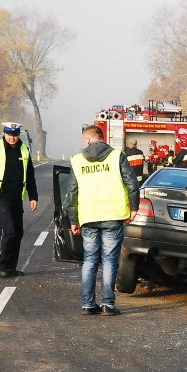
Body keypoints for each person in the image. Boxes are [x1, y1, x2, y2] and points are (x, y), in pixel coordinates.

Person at [63, 125, 139, 316]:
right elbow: (132, 183)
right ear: (102, 138)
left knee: (89, 260)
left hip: (88, 216)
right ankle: (108, 305)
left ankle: (87, 304)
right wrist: (134, 208)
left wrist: (74, 219)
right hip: (113, 215)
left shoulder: (78, 160)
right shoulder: (117, 156)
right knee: (109, 260)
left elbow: (72, 192)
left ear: (88, 140)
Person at [0, 122, 39, 277]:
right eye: (10, 134)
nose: (12, 138)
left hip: (17, 196)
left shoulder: (24, 150)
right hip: (0, 195)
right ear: (4, 133)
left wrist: (33, 197)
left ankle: (10, 267)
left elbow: (30, 175)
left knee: (17, 232)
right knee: (8, 230)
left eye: (15, 135)